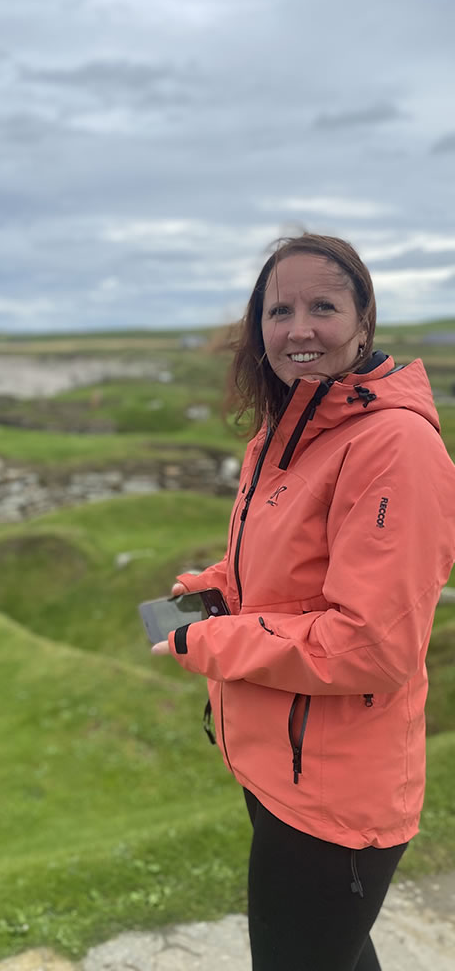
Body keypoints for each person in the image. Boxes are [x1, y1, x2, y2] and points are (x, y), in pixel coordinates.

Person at [151, 233, 455, 971]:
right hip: (283, 764)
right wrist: (220, 586)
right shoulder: (289, 427)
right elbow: (293, 565)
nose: (299, 328)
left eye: (323, 305)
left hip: (336, 792)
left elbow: (370, 645)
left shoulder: (393, 446)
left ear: (363, 319)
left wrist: (214, 642)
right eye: (278, 309)